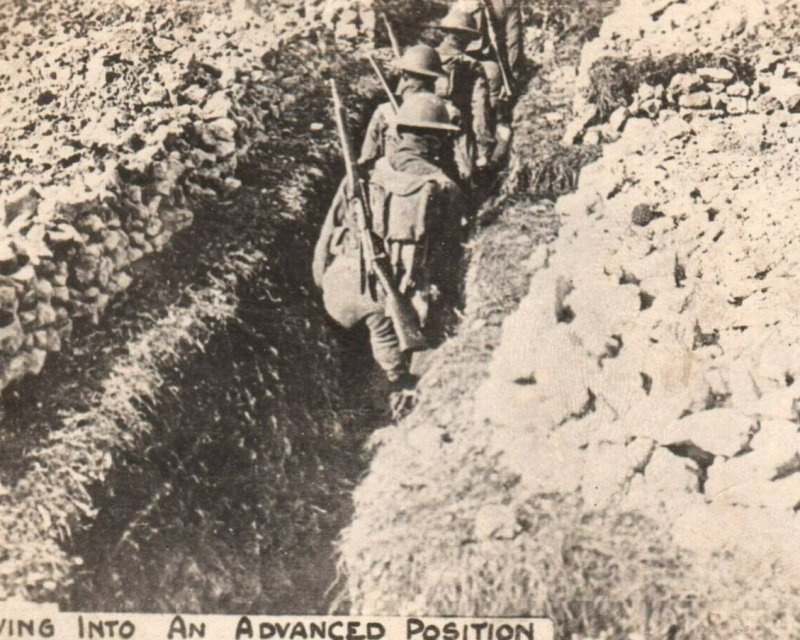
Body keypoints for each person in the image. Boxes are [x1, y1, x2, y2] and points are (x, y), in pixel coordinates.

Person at [313, 93, 464, 417]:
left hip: (342, 287)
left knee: (374, 331)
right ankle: (402, 395)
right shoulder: (442, 187)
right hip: (398, 294)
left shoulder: (362, 175)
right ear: (435, 140)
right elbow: (448, 260)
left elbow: (328, 233)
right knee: (408, 333)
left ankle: (379, 390)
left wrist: (320, 279)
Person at [433, 7, 495, 183]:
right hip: (455, 126)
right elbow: (480, 110)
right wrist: (484, 153)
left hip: (420, 123)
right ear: (464, 37)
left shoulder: (424, 57)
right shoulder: (471, 65)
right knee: (465, 176)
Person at [358, 44, 448, 167]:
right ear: (435, 79)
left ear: (404, 76)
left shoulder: (385, 111)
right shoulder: (447, 111)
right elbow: (465, 166)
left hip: (394, 182)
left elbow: (367, 159)